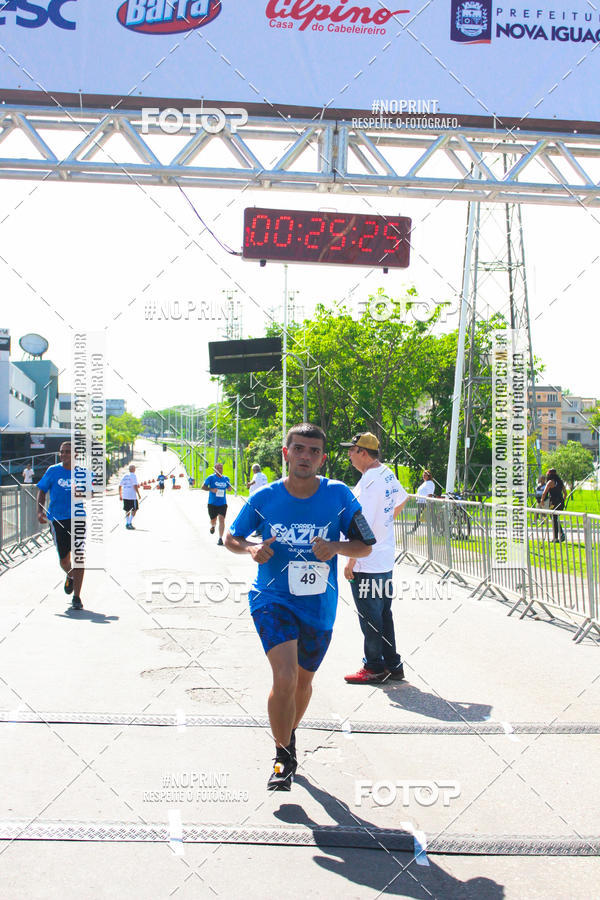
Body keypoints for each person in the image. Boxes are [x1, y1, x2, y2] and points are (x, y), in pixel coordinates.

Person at [225, 423, 375, 791]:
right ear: (285, 453)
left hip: (319, 606)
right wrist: (251, 549)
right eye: (299, 449)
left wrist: (337, 548)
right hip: (272, 598)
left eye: (313, 451)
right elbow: (232, 536)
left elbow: (365, 544)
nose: (305, 456)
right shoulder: (264, 498)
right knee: (285, 676)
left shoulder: (339, 495)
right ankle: (283, 755)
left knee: (303, 683)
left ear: (322, 458)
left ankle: (287, 732)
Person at [340, 432, 408, 684]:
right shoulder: (386, 473)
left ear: (363, 453)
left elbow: (362, 525)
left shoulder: (369, 482)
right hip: (384, 558)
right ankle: (392, 663)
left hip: (367, 561)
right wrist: (386, 524)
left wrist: (351, 560)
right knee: (384, 614)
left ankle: (374, 666)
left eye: (352, 450)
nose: (349, 454)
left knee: (370, 616)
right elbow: (403, 499)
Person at [36, 441, 85, 611]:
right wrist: (40, 512)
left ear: (75, 455)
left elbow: (92, 492)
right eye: (62, 452)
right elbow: (42, 490)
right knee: (64, 560)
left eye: (67, 452)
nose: (63, 455)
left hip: (78, 519)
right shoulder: (53, 471)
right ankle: (70, 575)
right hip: (57, 520)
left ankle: (77, 597)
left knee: (79, 556)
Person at [202, 463, 232, 546]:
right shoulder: (211, 478)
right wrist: (211, 489)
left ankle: (220, 538)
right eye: (218, 468)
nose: (220, 470)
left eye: (221, 468)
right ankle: (213, 526)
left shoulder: (226, 478)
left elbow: (229, 488)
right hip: (212, 503)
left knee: (222, 519)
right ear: (215, 469)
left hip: (222, 503)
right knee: (213, 520)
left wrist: (229, 488)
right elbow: (203, 487)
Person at [541, 468, 567, 542]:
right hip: (560, 503)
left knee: (554, 519)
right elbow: (565, 493)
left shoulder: (550, 482)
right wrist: (562, 501)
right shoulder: (560, 482)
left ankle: (556, 538)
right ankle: (561, 534)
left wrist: (542, 501)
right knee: (555, 519)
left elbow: (544, 492)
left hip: (553, 503)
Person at [119, 464, 141, 530]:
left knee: (127, 510)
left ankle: (128, 523)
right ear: (134, 470)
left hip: (125, 495)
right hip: (132, 496)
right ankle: (129, 523)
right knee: (135, 509)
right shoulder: (133, 476)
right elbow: (135, 486)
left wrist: (120, 495)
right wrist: (139, 494)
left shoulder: (125, 476)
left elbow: (120, 486)